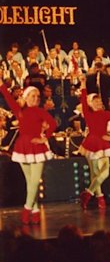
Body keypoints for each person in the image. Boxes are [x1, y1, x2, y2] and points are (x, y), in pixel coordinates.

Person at [0, 71, 56, 224]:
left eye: (38, 97)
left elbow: (53, 124)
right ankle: (36, 210)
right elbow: (7, 96)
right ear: (25, 97)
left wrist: (44, 137)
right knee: (30, 181)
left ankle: (26, 209)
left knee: (34, 181)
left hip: (37, 147)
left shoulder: (40, 111)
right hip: (22, 146)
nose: (36, 99)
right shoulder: (19, 112)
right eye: (33, 96)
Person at [78, 75, 110, 209]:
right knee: (95, 173)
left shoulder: (106, 114)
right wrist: (83, 84)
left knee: (105, 172)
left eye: (99, 101)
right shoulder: (88, 113)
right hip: (92, 142)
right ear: (90, 104)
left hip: (103, 142)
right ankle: (100, 198)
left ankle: (88, 193)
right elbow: (83, 97)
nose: (98, 103)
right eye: (95, 102)